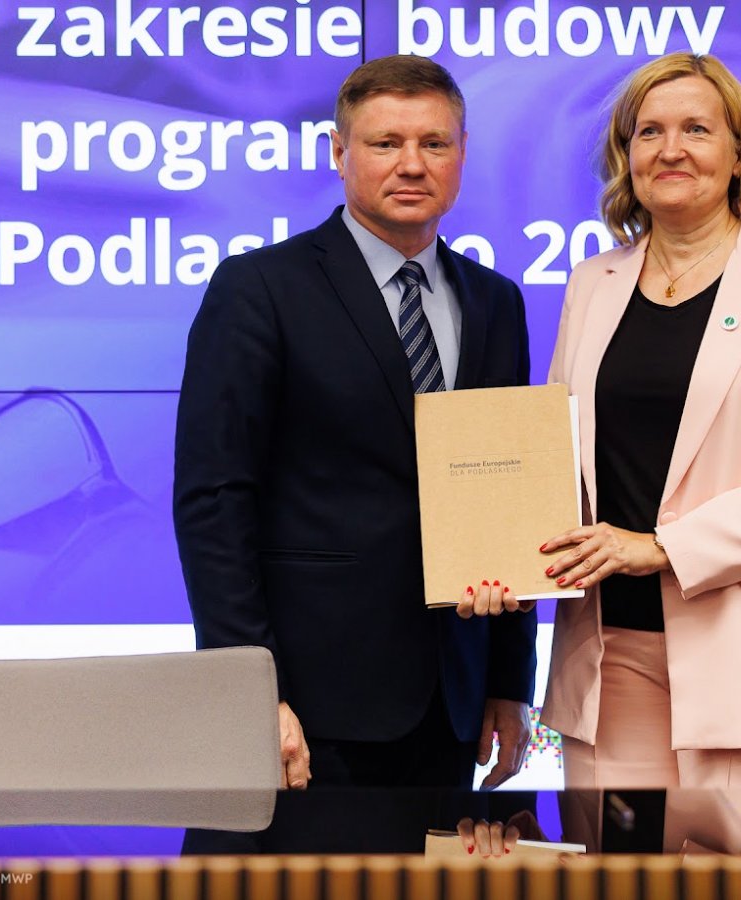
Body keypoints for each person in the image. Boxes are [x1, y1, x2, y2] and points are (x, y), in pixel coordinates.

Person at [474, 52, 741, 787]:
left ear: (739, 152)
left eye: (697, 129)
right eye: (648, 132)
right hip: (607, 659)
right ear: (626, 157)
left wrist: (659, 548)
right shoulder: (593, 282)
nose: (671, 149)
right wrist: (501, 560)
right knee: (613, 854)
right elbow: (556, 468)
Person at [173, 55, 537, 793]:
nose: (412, 164)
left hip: (453, 703)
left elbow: (506, 499)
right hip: (311, 706)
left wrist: (508, 679)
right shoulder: (260, 288)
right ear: (339, 153)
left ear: (462, 153)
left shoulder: (495, 301)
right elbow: (215, 499)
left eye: (433, 143)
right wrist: (250, 688)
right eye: (385, 143)